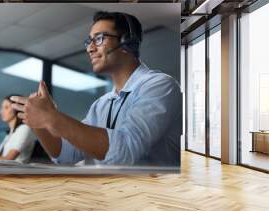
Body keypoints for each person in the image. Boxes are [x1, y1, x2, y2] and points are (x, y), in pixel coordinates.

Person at [10, 11, 182, 166]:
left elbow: (125, 152)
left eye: (99, 39)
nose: (90, 48)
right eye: (89, 41)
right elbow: (66, 155)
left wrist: (53, 118)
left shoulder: (160, 86)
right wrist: (38, 122)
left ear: (126, 42)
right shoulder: (102, 104)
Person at [0, 95, 36, 164]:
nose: (1, 111)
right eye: (2, 107)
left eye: (6, 107)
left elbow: (8, 159)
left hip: (16, 172)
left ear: (17, 109)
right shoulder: (10, 133)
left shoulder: (24, 129)